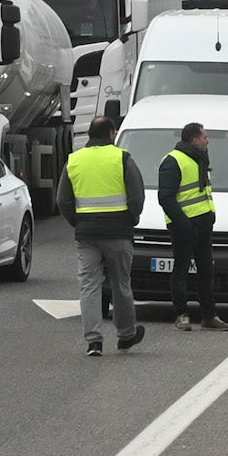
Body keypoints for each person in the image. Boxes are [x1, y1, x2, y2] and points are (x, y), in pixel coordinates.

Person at [64, 113, 147, 355]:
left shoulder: (74, 160)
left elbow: (62, 199)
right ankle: (126, 335)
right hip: (119, 232)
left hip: (87, 234)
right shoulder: (122, 158)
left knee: (89, 286)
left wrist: (78, 222)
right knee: (121, 284)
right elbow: (137, 196)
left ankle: (94, 341)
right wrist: (131, 219)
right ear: (112, 134)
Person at [158, 121, 228, 331]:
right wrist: (184, 225)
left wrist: (210, 216)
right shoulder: (173, 161)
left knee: (206, 270)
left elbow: (202, 192)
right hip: (184, 226)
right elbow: (166, 198)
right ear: (194, 140)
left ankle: (209, 316)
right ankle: (181, 315)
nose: (208, 141)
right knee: (181, 269)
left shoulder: (200, 158)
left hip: (203, 224)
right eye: (204, 137)